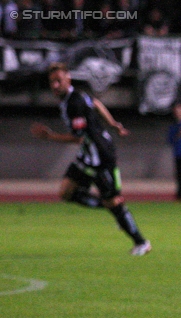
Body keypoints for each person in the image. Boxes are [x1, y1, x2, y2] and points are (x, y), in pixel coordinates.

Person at [30, 62, 151, 256]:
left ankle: (141, 242)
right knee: (66, 192)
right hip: (88, 155)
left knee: (113, 202)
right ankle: (113, 210)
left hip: (100, 156)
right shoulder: (76, 96)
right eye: (52, 82)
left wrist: (49, 136)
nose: (54, 85)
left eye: (58, 81)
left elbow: (78, 137)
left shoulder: (73, 103)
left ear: (68, 78)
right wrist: (113, 124)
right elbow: (96, 103)